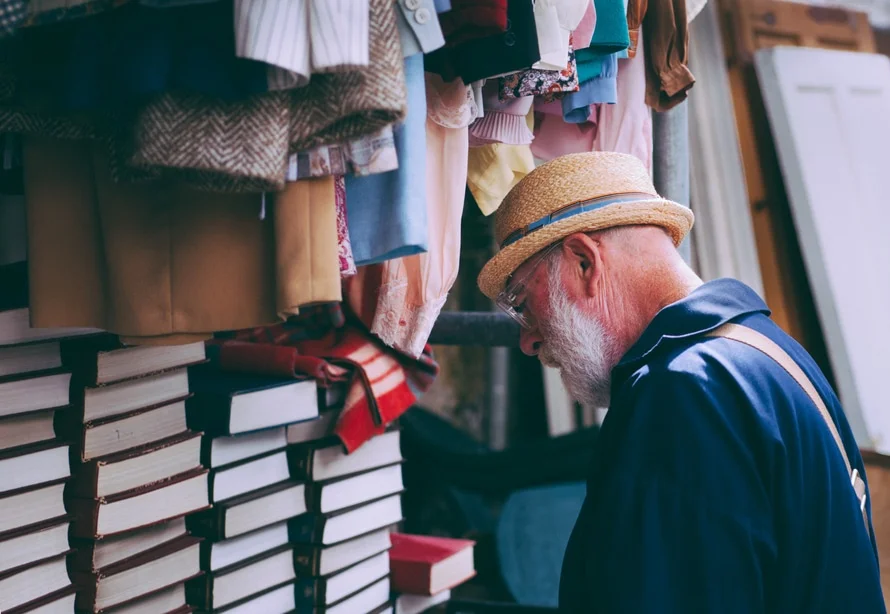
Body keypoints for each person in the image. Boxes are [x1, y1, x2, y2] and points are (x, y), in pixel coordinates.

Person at [476, 152, 884, 613]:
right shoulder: (764, 354)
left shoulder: (686, 390)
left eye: (523, 301)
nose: (528, 339)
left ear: (584, 262)